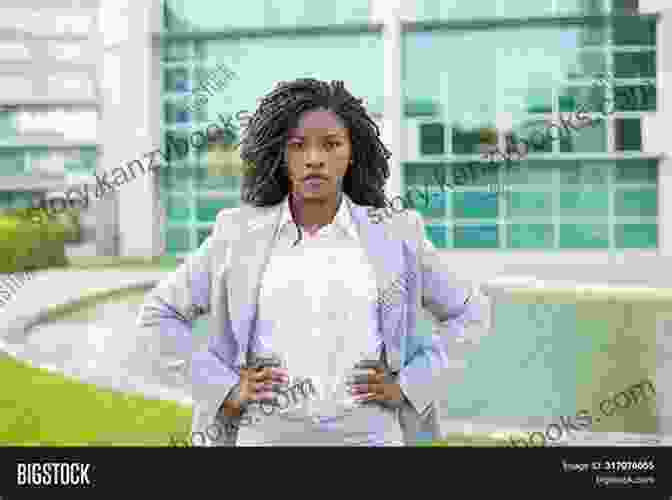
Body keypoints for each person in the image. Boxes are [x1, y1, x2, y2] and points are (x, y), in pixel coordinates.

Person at [137, 78, 488, 446]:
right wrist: (224, 388)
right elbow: (160, 314)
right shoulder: (236, 235)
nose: (315, 158)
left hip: (371, 438)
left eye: (331, 144)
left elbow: (470, 312)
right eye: (298, 146)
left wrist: (411, 384)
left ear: (352, 152)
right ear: (279, 154)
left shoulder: (397, 234)